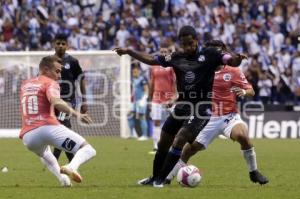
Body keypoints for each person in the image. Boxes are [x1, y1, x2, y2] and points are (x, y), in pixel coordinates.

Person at [114, 26, 247, 187]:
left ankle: (161, 180)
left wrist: (238, 59)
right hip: (182, 106)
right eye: (184, 44)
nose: (188, 47)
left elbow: (230, 60)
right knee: (163, 142)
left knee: (180, 139)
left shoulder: (210, 54)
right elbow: (151, 60)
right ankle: (155, 177)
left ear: (196, 40)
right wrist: (129, 51)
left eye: (190, 43)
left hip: (201, 108)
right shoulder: (176, 57)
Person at [166, 40, 269, 185]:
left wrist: (243, 91)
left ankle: (254, 172)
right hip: (208, 117)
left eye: (220, 52)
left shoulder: (233, 71)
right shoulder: (200, 70)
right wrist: (176, 99)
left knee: (242, 136)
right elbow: (189, 91)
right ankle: (168, 176)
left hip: (229, 116)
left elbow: (251, 91)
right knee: (190, 149)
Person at [19, 55, 96, 186]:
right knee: (88, 150)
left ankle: (63, 180)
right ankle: (72, 167)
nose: (60, 76)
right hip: (47, 128)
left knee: (46, 154)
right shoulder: (50, 83)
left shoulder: (25, 84)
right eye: (57, 71)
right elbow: (56, 102)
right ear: (45, 69)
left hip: (28, 137)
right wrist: (76, 113)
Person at [52, 33, 88, 162]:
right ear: (54, 44)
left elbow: (82, 80)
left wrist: (84, 101)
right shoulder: (48, 61)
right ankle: (71, 163)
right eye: (58, 43)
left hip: (68, 101)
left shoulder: (72, 61)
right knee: (64, 129)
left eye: (63, 44)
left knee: (63, 126)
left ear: (67, 45)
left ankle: (55, 159)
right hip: (52, 101)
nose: (61, 46)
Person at [149, 47, 177, 154]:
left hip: (169, 99)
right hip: (156, 98)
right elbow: (152, 81)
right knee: (156, 121)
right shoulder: (154, 65)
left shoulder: (171, 66)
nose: (163, 53)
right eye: (161, 52)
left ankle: (172, 145)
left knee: (171, 123)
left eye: (165, 52)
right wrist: (149, 97)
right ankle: (156, 147)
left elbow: (175, 82)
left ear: (168, 53)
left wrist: (174, 96)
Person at [128, 62, 149, 140]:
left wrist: (144, 99)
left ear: (139, 71)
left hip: (141, 101)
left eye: (135, 71)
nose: (134, 72)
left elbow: (146, 90)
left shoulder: (142, 79)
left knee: (142, 117)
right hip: (134, 101)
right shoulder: (132, 79)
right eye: (133, 71)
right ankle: (132, 134)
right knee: (129, 115)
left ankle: (145, 135)